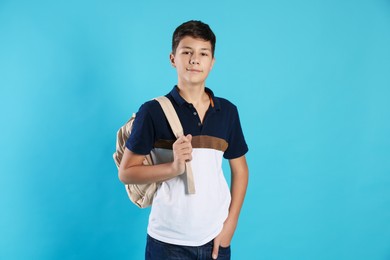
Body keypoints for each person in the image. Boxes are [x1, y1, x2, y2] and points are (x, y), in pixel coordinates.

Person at [118, 20, 249, 260]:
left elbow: (240, 171)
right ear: (172, 58)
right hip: (167, 242)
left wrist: (230, 225)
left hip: (215, 239)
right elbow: (126, 172)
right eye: (186, 52)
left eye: (203, 53)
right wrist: (173, 167)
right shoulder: (153, 111)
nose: (194, 60)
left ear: (212, 62)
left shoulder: (227, 112)